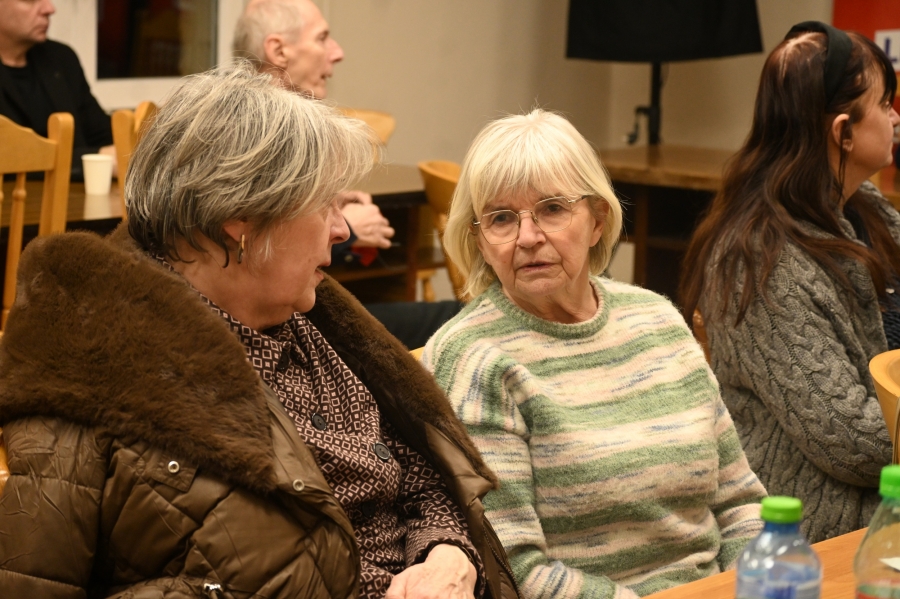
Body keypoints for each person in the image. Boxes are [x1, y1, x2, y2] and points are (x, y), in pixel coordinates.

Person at [0, 65, 519, 599]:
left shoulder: (315, 327)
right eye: (325, 204)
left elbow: (421, 475)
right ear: (240, 223)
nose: (341, 229)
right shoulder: (90, 371)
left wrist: (447, 555)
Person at [421, 109, 766, 599]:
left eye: (552, 210)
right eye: (501, 218)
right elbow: (517, 569)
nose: (528, 237)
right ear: (478, 239)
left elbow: (741, 503)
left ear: (597, 220)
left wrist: (747, 586)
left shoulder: (657, 319)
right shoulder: (472, 359)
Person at [680, 22, 900, 543]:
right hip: (820, 525)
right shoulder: (758, 262)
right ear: (843, 132)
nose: (895, 117)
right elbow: (854, 441)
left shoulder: (867, 208)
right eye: (885, 104)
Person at [234, 0, 394, 255]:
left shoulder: (269, 126)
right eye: (322, 38)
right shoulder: (243, 136)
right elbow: (251, 251)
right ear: (279, 51)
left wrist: (324, 203)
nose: (338, 53)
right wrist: (348, 230)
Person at [0, 0, 116, 179]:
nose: (49, 9)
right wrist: (94, 159)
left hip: (76, 194)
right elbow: (9, 157)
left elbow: (101, 133)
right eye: (31, 0)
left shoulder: (60, 58)